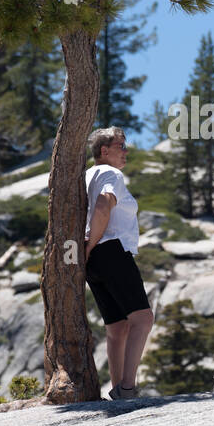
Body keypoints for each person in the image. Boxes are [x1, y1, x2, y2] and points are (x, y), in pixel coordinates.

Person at [84, 127, 153, 401]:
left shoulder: (86, 175)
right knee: (143, 318)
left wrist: (87, 250)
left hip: (93, 260)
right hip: (111, 249)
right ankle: (127, 388)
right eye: (121, 146)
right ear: (104, 151)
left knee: (117, 327)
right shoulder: (110, 174)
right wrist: (92, 244)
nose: (126, 151)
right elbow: (103, 205)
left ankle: (117, 389)